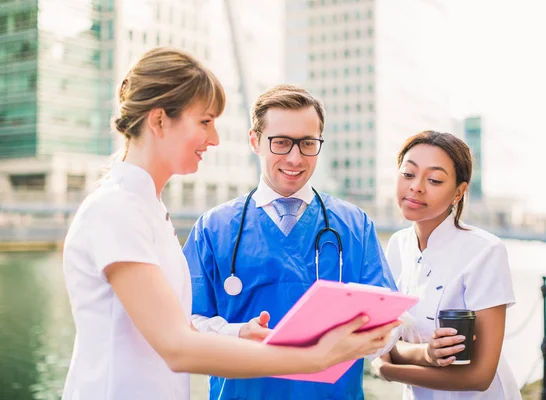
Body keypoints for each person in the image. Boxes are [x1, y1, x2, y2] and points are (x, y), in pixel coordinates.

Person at [61, 48, 399, 400]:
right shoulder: (119, 209)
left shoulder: (148, 212)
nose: (215, 139)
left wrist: (239, 333)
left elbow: (178, 329)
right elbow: (178, 346)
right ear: (160, 121)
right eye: (205, 122)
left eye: (307, 144)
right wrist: (312, 358)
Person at [182, 84, 399, 400]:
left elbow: (388, 324)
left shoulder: (355, 226)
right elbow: (184, 325)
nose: (295, 158)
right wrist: (237, 333)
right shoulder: (213, 228)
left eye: (308, 143)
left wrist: (371, 333)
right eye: (281, 143)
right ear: (255, 141)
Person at [372, 130, 521, 399]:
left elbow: (480, 375)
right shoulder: (397, 246)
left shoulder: (485, 251)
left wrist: (389, 371)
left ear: (458, 192)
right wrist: (427, 354)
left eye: (434, 179)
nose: (416, 186)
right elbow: (388, 345)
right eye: (408, 174)